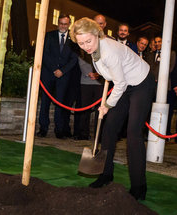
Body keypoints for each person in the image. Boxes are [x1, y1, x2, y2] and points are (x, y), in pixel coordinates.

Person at [70, 18, 155, 200]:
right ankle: (105, 175)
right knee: (109, 129)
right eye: (81, 43)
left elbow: (120, 83)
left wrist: (107, 104)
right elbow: (111, 77)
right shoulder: (94, 49)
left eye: (88, 41)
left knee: (133, 133)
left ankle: (139, 187)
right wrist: (107, 102)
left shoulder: (109, 51)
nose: (85, 46)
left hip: (141, 83)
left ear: (96, 34)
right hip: (123, 84)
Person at [37, 14, 79, 139]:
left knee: (60, 103)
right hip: (48, 74)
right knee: (45, 102)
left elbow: (74, 59)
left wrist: (62, 71)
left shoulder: (74, 39)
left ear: (69, 24)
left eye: (65, 24)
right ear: (57, 23)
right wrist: (54, 69)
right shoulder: (49, 36)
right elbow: (44, 53)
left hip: (64, 76)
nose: (63, 26)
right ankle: (43, 128)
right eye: (61, 23)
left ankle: (59, 130)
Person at [74, 50, 104, 140]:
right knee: (85, 109)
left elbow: (106, 64)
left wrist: (98, 74)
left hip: (100, 83)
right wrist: (90, 73)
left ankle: (98, 134)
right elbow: (81, 61)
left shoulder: (103, 49)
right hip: (86, 83)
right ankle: (83, 133)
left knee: (99, 110)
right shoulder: (84, 48)